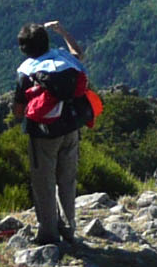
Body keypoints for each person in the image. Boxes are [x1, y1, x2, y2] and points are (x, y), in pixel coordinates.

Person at [15, 19, 97, 247]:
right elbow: (79, 53)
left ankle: (48, 232)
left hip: (43, 134)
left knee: (44, 182)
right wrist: (63, 31)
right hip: (70, 128)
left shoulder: (27, 70)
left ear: (24, 49)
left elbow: (19, 108)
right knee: (67, 179)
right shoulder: (65, 59)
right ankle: (69, 227)